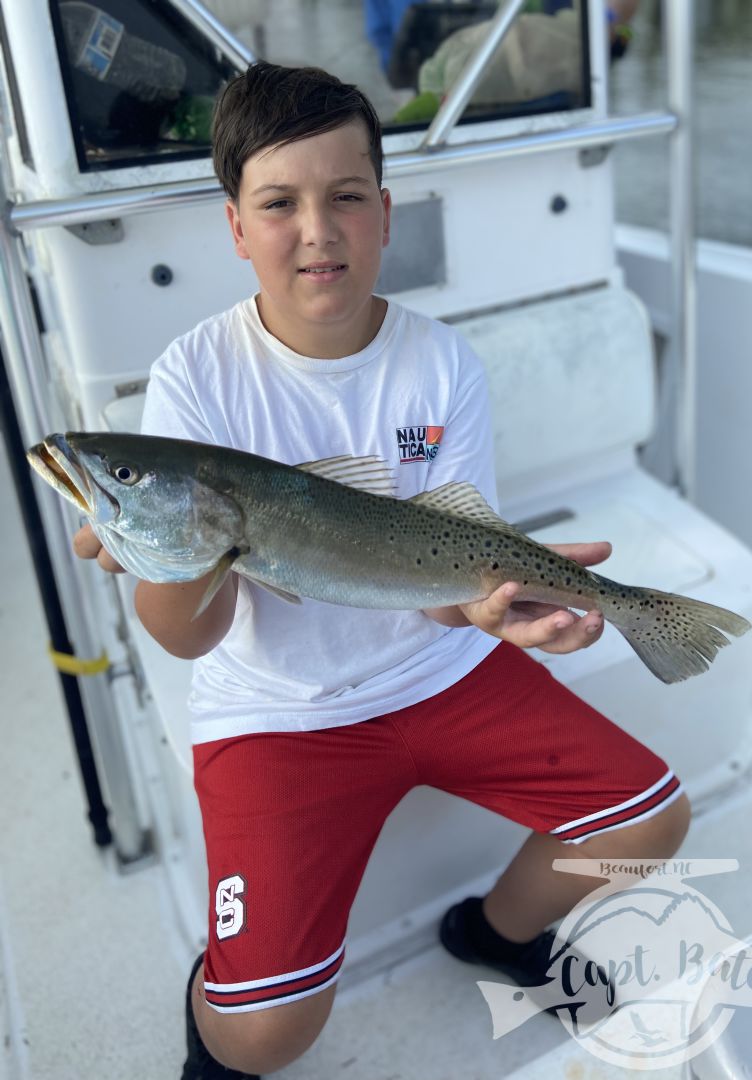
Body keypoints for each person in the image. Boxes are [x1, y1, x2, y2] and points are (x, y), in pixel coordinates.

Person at [73, 61, 690, 1079]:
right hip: (280, 712)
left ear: (386, 211)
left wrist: (502, 613)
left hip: (440, 669)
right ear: (235, 226)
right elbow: (185, 635)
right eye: (279, 203)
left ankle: (496, 932)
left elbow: (454, 575)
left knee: (652, 821)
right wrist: (166, 552)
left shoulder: (442, 363)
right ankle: (218, 996)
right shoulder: (195, 376)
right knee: (266, 1035)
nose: (317, 230)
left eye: (346, 196)